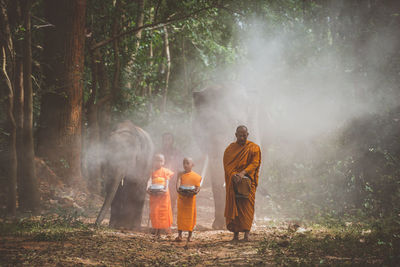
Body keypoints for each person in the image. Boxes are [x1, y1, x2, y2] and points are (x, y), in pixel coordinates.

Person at [223, 125, 261, 241]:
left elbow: (255, 163)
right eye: (240, 135)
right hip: (234, 182)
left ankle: (246, 235)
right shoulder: (230, 149)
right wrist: (234, 175)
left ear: (247, 135)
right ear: (236, 135)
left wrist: (243, 173)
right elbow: (227, 165)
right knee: (235, 206)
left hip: (248, 182)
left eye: (244, 135)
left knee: (247, 207)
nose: (242, 138)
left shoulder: (253, 148)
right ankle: (235, 235)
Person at [175, 158, 202, 243]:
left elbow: (198, 187)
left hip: (190, 199)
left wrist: (195, 192)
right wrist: (179, 190)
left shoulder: (196, 176)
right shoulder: (180, 174)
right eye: (184, 163)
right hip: (182, 198)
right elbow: (178, 183)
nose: (185, 165)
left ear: (192, 165)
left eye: (187, 163)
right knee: (181, 217)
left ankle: (189, 236)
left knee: (190, 218)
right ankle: (179, 235)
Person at [148, 154, 174, 238]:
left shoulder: (166, 171)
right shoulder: (151, 172)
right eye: (157, 160)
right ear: (154, 162)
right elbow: (149, 182)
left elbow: (167, 183)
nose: (158, 163)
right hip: (154, 195)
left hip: (163, 195)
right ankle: (156, 231)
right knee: (155, 212)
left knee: (163, 212)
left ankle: (165, 231)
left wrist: (165, 190)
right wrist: (148, 189)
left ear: (163, 162)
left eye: (161, 161)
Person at [160, 132, 183, 217]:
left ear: (172, 141)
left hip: (173, 179)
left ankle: (169, 217)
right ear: (162, 141)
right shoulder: (159, 152)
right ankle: (161, 218)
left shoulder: (177, 152)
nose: (167, 141)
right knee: (161, 198)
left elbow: (181, 165)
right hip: (161, 178)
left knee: (172, 198)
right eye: (165, 139)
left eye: (169, 139)